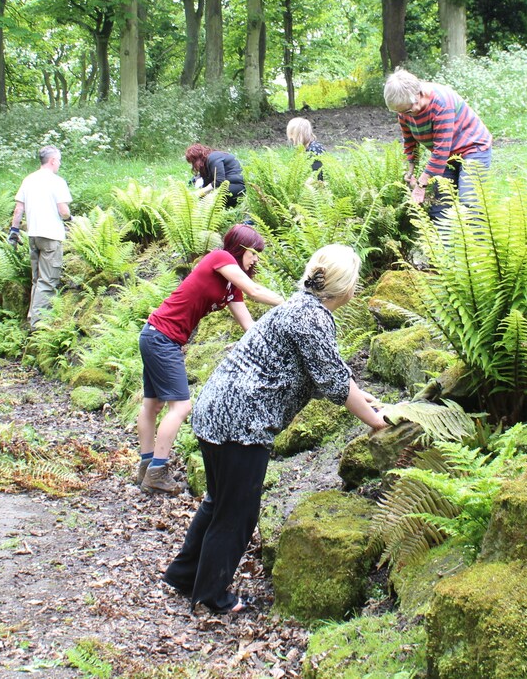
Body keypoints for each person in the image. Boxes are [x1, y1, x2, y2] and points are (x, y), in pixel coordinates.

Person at [163, 244, 388, 614]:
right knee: (237, 513)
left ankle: (184, 576)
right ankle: (212, 596)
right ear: (347, 288)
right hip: (242, 422)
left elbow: (329, 370)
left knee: (218, 502)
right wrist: (377, 421)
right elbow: (335, 382)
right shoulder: (312, 318)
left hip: (217, 409)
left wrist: (362, 395)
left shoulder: (302, 306)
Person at [136, 224, 285, 494]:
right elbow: (255, 291)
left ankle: (147, 468)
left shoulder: (231, 288)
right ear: (239, 248)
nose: (256, 259)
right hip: (162, 337)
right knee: (181, 407)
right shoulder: (220, 257)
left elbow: (249, 326)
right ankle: (156, 472)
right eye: (253, 253)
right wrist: (289, 302)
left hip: (157, 336)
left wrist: (273, 344)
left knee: (153, 405)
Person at [383, 68, 493, 222]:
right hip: (447, 157)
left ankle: (476, 237)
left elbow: (441, 149)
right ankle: (442, 238)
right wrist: (411, 169)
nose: (409, 113)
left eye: (410, 108)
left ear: (419, 93)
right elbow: (409, 141)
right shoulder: (405, 110)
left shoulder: (441, 102)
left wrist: (421, 185)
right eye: (403, 112)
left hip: (473, 148)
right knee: (440, 208)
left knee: (469, 203)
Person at [9, 146, 73, 328]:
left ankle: (32, 316)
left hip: (33, 235)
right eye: (58, 160)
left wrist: (14, 231)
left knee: (37, 279)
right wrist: (71, 219)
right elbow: (63, 211)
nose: (59, 164)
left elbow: (18, 209)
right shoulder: (57, 182)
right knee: (48, 280)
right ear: (52, 161)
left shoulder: (28, 180)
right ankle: (38, 325)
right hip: (51, 236)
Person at [185, 144, 246, 208]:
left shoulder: (214, 157)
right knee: (202, 200)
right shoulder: (206, 165)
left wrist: (200, 192)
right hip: (225, 188)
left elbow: (219, 181)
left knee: (207, 201)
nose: (194, 165)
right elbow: (207, 185)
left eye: (193, 162)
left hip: (237, 186)